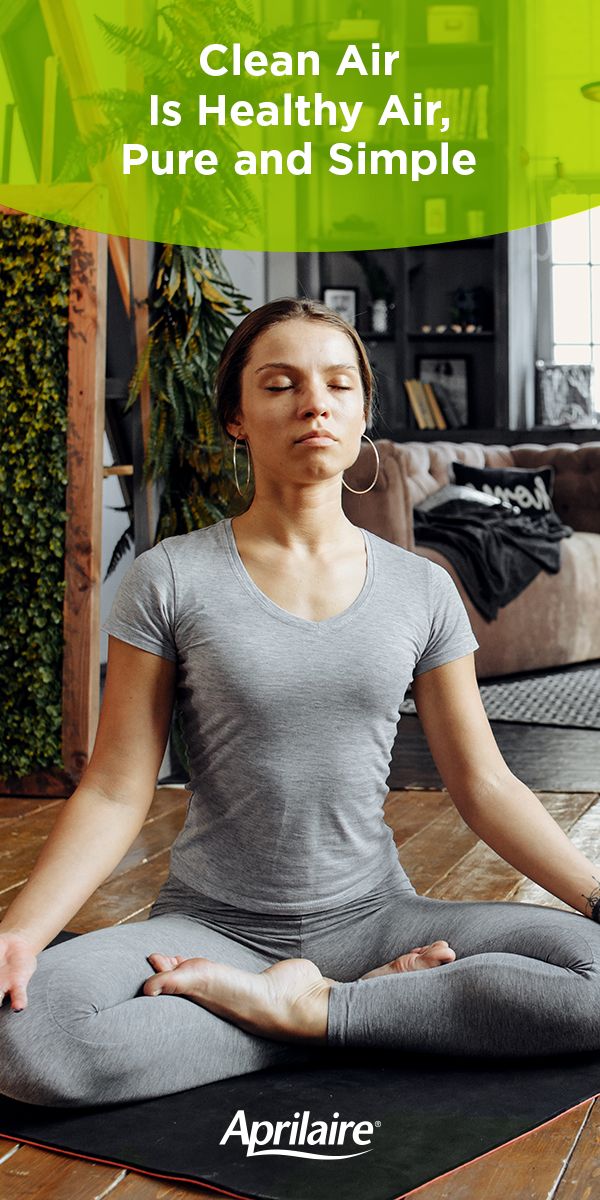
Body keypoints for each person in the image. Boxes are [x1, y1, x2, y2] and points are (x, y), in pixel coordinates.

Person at [1, 297, 599, 1110]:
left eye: (338, 384)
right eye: (280, 384)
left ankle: (312, 1009)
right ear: (237, 418)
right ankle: (358, 1013)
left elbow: (485, 785)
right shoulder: (170, 578)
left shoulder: (422, 588)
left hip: (379, 918)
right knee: (31, 1040)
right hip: (212, 928)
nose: (314, 402)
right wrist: (21, 933)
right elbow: (114, 787)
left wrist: (597, 898)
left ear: (361, 413)